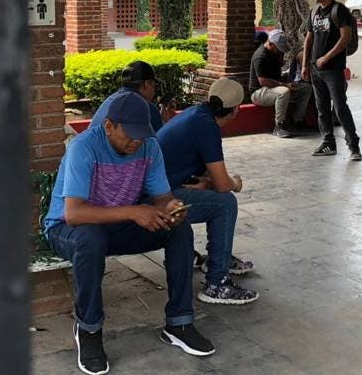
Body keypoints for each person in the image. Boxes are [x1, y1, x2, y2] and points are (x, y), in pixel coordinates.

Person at [45, 91, 215, 374]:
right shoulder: (83, 148)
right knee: (91, 238)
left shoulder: (149, 146)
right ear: (109, 126)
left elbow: (162, 198)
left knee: (179, 231)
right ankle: (88, 330)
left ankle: (180, 323)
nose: (136, 141)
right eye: (130, 134)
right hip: (67, 230)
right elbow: (74, 214)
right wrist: (134, 212)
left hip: (116, 227)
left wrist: (170, 208)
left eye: (142, 134)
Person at [156, 78, 259, 305]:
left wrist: (209, 182)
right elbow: (222, 184)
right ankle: (216, 284)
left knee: (220, 198)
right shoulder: (207, 127)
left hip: (160, 189)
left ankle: (218, 258)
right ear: (236, 110)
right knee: (226, 203)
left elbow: (208, 170)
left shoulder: (196, 114)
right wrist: (236, 182)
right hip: (156, 200)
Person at [302, 0, 361, 161]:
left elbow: (345, 38)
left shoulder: (339, 10)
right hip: (316, 69)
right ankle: (328, 143)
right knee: (322, 108)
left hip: (333, 69)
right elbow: (309, 39)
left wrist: (326, 57)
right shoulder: (314, 12)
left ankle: (354, 146)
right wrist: (305, 65)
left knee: (340, 107)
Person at [250, 30, 312, 138]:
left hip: (274, 87)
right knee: (283, 92)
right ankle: (279, 126)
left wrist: (289, 82)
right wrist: (285, 85)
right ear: (271, 44)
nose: (281, 52)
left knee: (305, 88)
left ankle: (298, 120)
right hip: (259, 92)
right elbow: (263, 81)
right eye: (279, 49)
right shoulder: (260, 56)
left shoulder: (275, 53)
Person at [90, 60, 165, 132]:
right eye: (154, 85)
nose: (154, 91)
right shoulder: (147, 108)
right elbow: (160, 140)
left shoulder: (110, 100)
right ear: (146, 84)